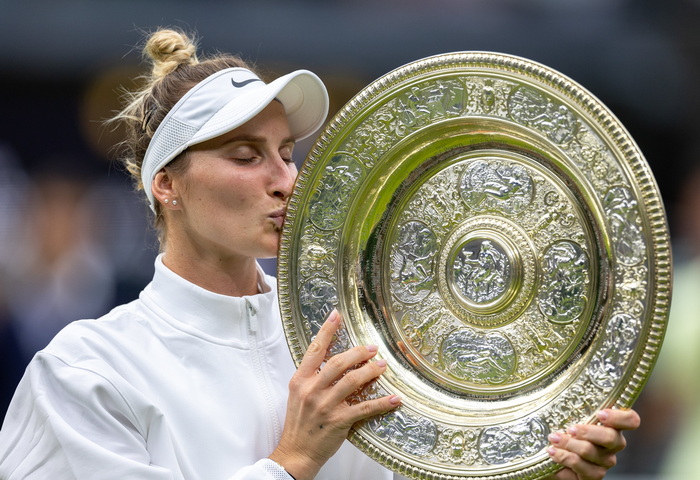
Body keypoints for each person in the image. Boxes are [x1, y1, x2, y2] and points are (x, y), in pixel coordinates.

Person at [0, 28, 639, 480]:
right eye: (246, 156)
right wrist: (293, 462)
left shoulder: (364, 339)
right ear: (165, 184)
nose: (285, 178)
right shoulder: (84, 373)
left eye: (285, 153)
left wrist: (541, 475)